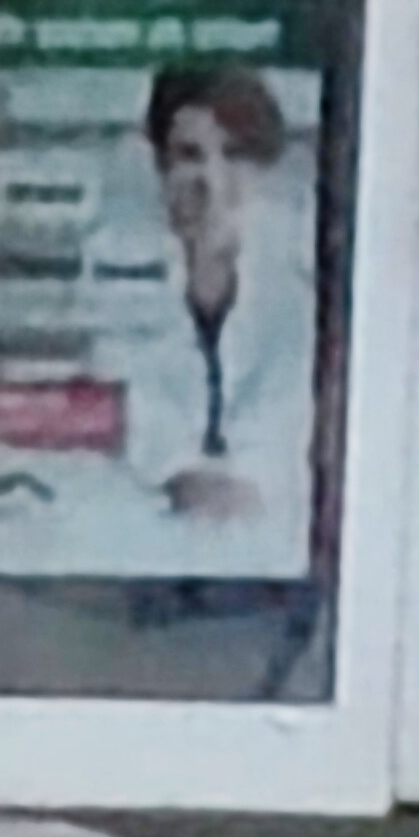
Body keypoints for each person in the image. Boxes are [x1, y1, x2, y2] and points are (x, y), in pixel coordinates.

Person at [134, 67, 313, 539]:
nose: (210, 181)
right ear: (160, 167)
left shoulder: (302, 297)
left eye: (234, 156)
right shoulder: (116, 278)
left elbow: (286, 449)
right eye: (189, 156)